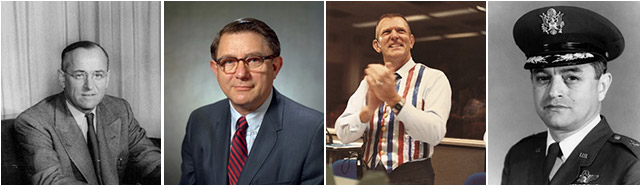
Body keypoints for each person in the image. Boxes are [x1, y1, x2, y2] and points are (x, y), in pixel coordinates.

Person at [502, 6, 640, 185]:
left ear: (602, 86)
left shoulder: (631, 166)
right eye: (543, 78)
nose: (554, 92)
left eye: (572, 78)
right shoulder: (519, 156)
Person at [179, 18, 324, 185]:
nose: (241, 73)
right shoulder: (199, 121)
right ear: (216, 70)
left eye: (254, 60)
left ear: (275, 67)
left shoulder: (312, 130)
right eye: (229, 62)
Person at [14, 41, 161, 185]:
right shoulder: (34, 121)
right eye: (79, 75)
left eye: (98, 75)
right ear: (62, 78)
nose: (89, 86)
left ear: (107, 79)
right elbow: (50, 181)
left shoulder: (120, 109)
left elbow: (147, 157)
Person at [335, 13, 452, 185]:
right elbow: (343, 134)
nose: (394, 35)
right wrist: (367, 112)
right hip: (369, 176)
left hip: (414, 178)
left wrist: (394, 99)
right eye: (387, 32)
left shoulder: (433, 78)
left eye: (401, 31)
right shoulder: (368, 82)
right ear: (377, 45)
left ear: (411, 41)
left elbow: (435, 134)